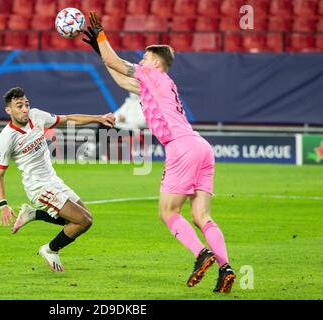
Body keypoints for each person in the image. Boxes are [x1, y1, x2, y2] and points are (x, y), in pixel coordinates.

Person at [82, 14, 236, 293]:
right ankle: (226, 268)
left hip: (180, 147)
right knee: (201, 216)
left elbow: (117, 63)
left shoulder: (153, 74)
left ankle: (202, 255)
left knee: (168, 212)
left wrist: (102, 37)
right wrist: (99, 50)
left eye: (143, 58)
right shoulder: (161, 84)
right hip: (200, 146)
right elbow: (120, 79)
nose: (140, 62)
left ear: (155, 62)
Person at [0, 87, 115, 272]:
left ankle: (34, 214)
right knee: (82, 221)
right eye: (19, 106)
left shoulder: (36, 116)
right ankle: (50, 249)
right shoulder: (6, 138)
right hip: (38, 188)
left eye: (26, 104)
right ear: (8, 110)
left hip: (54, 181)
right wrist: (3, 204)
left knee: (86, 219)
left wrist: (98, 118)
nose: (25, 109)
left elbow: (68, 119)